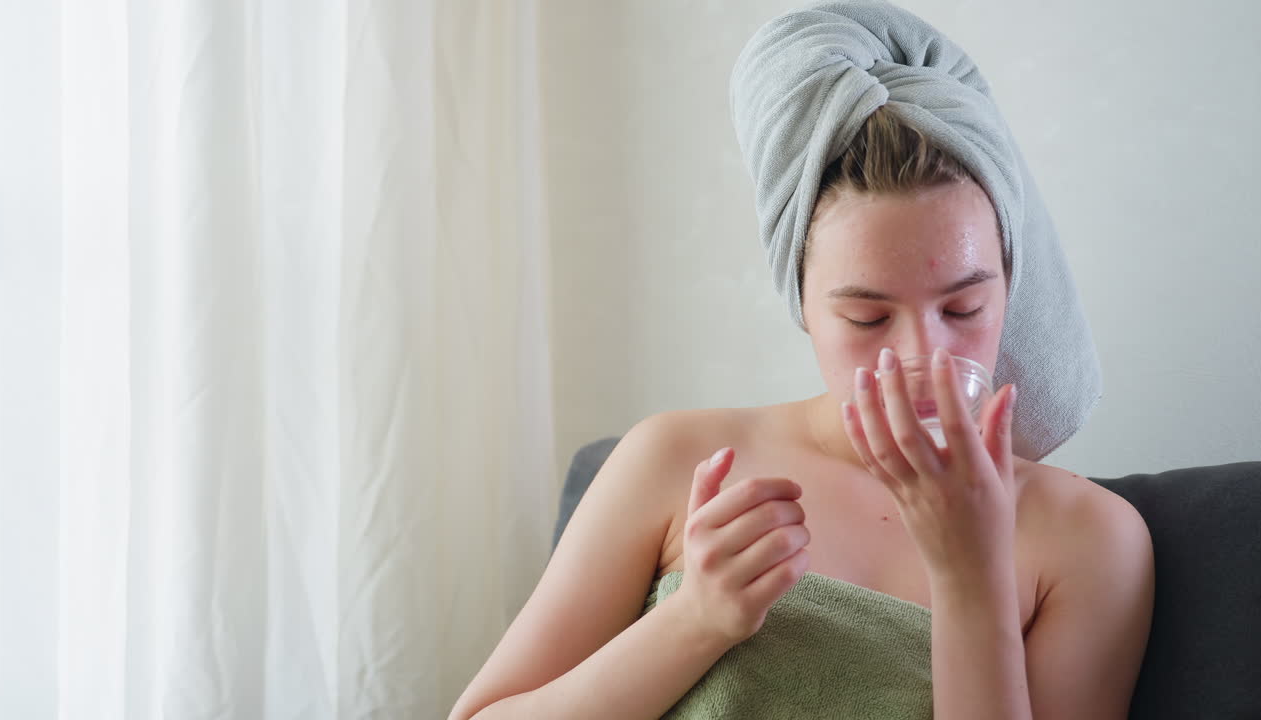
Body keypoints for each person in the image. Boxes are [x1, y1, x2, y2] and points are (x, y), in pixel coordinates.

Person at [450, 5, 1154, 720]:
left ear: (1008, 290)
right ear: (804, 305)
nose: (923, 359)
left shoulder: (1091, 540)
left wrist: (973, 582)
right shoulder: (677, 461)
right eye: (867, 318)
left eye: (964, 308)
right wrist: (694, 621)